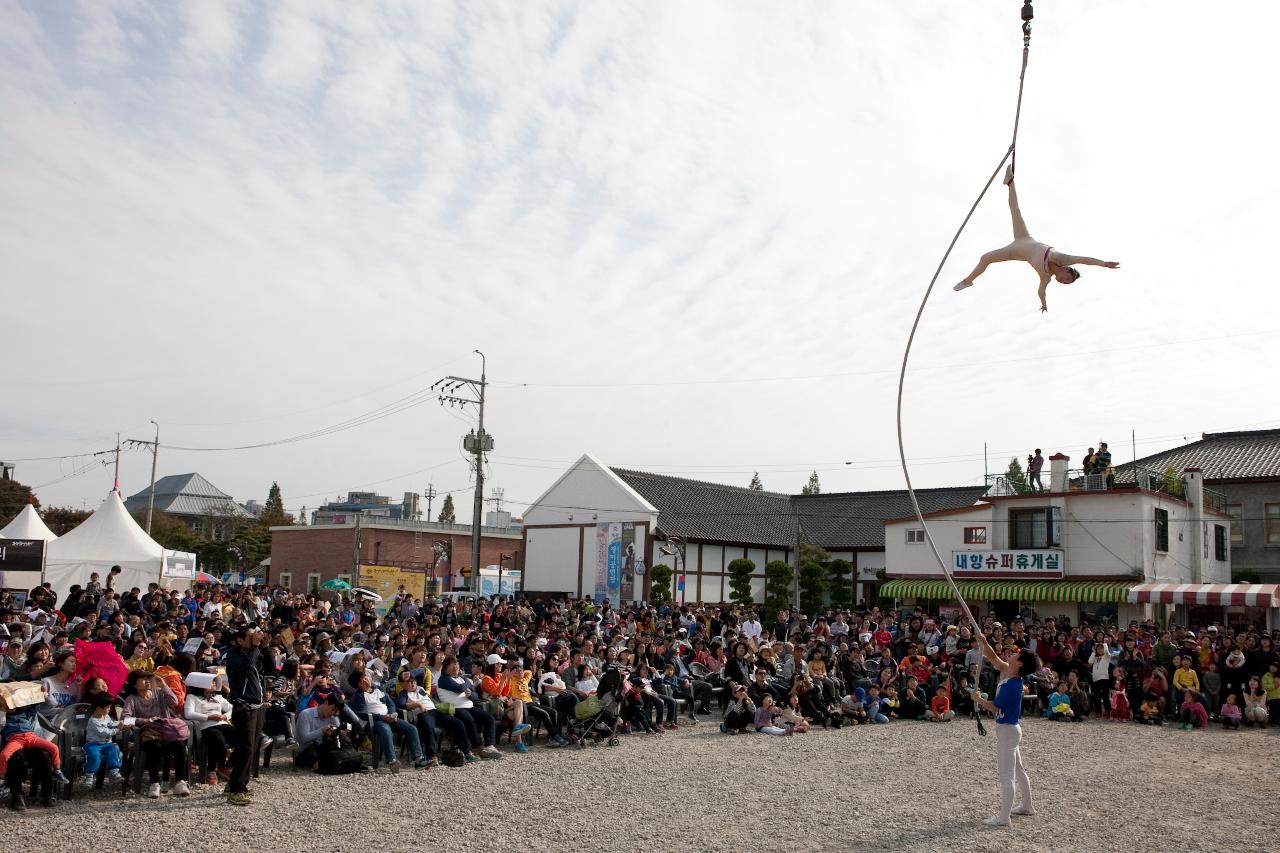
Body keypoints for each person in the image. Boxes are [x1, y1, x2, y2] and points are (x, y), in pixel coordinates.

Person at [953, 164, 1120, 312]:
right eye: (1067, 279)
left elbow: (1041, 291)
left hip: (1014, 253)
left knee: (985, 258)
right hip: (1024, 238)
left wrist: (1044, 303)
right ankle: (1010, 182)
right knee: (1015, 210)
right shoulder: (1063, 258)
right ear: (1067, 269)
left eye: (1065, 283)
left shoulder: (1045, 277)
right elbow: (1084, 259)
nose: (1063, 281)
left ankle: (968, 281)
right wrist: (1103, 264)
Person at [968, 634, 1038, 828]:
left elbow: (994, 707)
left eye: (1017, 654)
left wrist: (977, 699)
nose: (1013, 654)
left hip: (1007, 731)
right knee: (1018, 769)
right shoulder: (1010, 672)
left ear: (1021, 664)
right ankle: (1027, 806)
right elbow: (992, 658)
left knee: (1007, 775)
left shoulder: (1013, 685)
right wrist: (984, 641)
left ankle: (1004, 817)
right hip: (1010, 730)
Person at [223, 624, 279, 806]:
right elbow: (246, 667)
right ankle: (236, 788)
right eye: (250, 637)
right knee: (245, 746)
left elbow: (271, 668)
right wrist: (256, 647)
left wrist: (264, 646)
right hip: (243, 705)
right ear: (239, 640)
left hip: (257, 704)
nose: (254, 639)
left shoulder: (255, 652)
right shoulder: (233, 655)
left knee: (252, 746)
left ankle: (237, 783)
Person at [81, 693, 124, 784]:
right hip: (93, 744)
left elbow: (111, 724)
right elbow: (104, 733)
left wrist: (119, 723)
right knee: (94, 755)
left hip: (106, 744)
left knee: (114, 750)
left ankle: (114, 772)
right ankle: (89, 775)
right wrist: (118, 730)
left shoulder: (106, 716)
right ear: (98, 709)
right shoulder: (93, 721)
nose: (109, 709)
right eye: (108, 707)